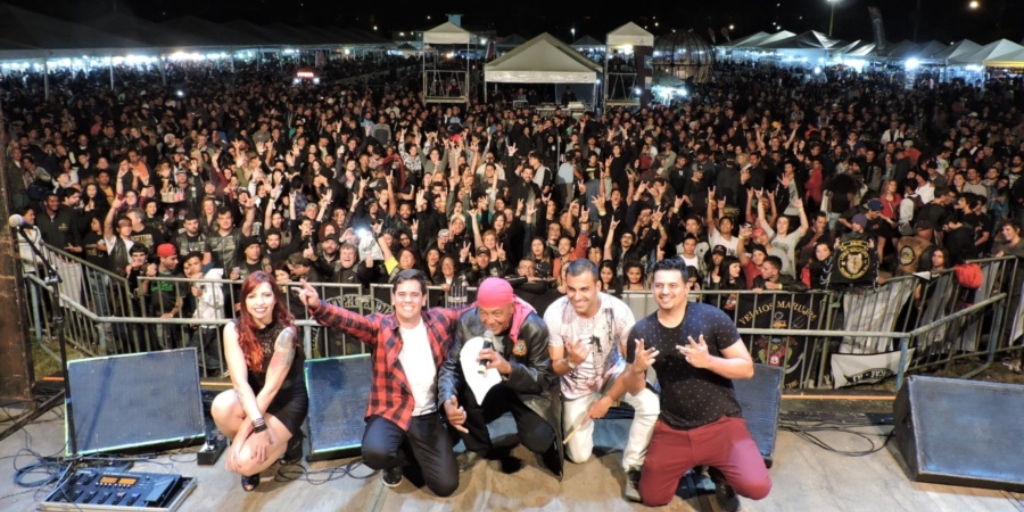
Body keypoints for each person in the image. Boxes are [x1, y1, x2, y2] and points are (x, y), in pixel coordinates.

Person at [297, 269, 461, 496]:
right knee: (375, 453)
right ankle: (394, 461)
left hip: (427, 414)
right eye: (402, 294)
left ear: (424, 299)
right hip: (390, 410)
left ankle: (410, 452)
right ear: (393, 298)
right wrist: (319, 305)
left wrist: (508, 299)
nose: (407, 300)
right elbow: (350, 321)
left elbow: (473, 311)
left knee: (445, 486)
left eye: (414, 295)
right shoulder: (380, 325)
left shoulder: (440, 320)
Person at [623, 258, 771, 510]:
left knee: (757, 487)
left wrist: (708, 361)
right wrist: (637, 369)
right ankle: (687, 464)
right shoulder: (642, 331)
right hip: (674, 427)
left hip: (721, 424)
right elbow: (633, 387)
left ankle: (719, 472)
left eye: (672, 285)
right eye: (659, 285)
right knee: (653, 497)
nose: (665, 291)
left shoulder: (712, 318)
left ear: (687, 287)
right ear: (652, 288)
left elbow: (746, 369)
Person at [544, 259, 659, 502]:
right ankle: (578, 420)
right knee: (579, 456)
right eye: (571, 288)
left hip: (612, 374)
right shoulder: (554, 313)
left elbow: (632, 367)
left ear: (598, 285)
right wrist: (572, 361)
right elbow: (554, 368)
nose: (577, 296)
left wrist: (607, 399)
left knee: (651, 405)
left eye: (584, 289)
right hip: (575, 384)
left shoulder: (619, 311)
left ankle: (633, 466)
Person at [438, 277, 563, 477]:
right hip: (489, 388)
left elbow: (543, 378)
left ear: (511, 307)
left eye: (497, 313)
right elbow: (451, 366)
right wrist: (446, 399)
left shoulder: (533, 326)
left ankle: (547, 447)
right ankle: (477, 447)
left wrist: (509, 369)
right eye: (484, 313)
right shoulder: (467, 320)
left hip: (526, 392)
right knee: (461, 398)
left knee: (538, 440)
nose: (489, 321)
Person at [210, 272, 307, 492]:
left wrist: (254, 430)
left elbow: (271, 390)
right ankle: (260, 451)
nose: (260, 302)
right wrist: (254, 427)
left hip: (284, 402)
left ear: (275, 299)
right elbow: (240, 385)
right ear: (244, 301)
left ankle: (291, 441)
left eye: (265, 295)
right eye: (252, 296)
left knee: (242, 464)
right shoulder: (232, 329)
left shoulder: (286, 334)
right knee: (221, 406)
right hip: (252, 398)